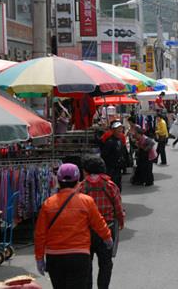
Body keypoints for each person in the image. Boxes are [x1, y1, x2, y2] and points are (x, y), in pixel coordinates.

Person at [34, 164, 112, 289]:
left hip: (54, 257)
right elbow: (98, 223)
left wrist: (39, 258)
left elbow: (40, 234)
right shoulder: (87, 201)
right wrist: (107, 238)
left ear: (58, 181)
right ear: (77, 181)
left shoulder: (48, 204)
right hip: (79, 255)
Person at [80, 157, 125, 289]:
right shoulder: (110, 186)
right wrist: (121, 222)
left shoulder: (82, 186)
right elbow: (118, 208)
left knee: (87, 264)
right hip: (107, 230)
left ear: (87, 171)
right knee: (106, 263)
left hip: (87, 231)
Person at [100, 121, 126, 191]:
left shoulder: (120, 141)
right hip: (111, 168)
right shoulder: (110, 142)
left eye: (121, 129)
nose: (120, 131)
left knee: (118, 185)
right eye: (118, 129)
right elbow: (104, 155)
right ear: (113, 130)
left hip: (118, 167)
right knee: (112, 185)